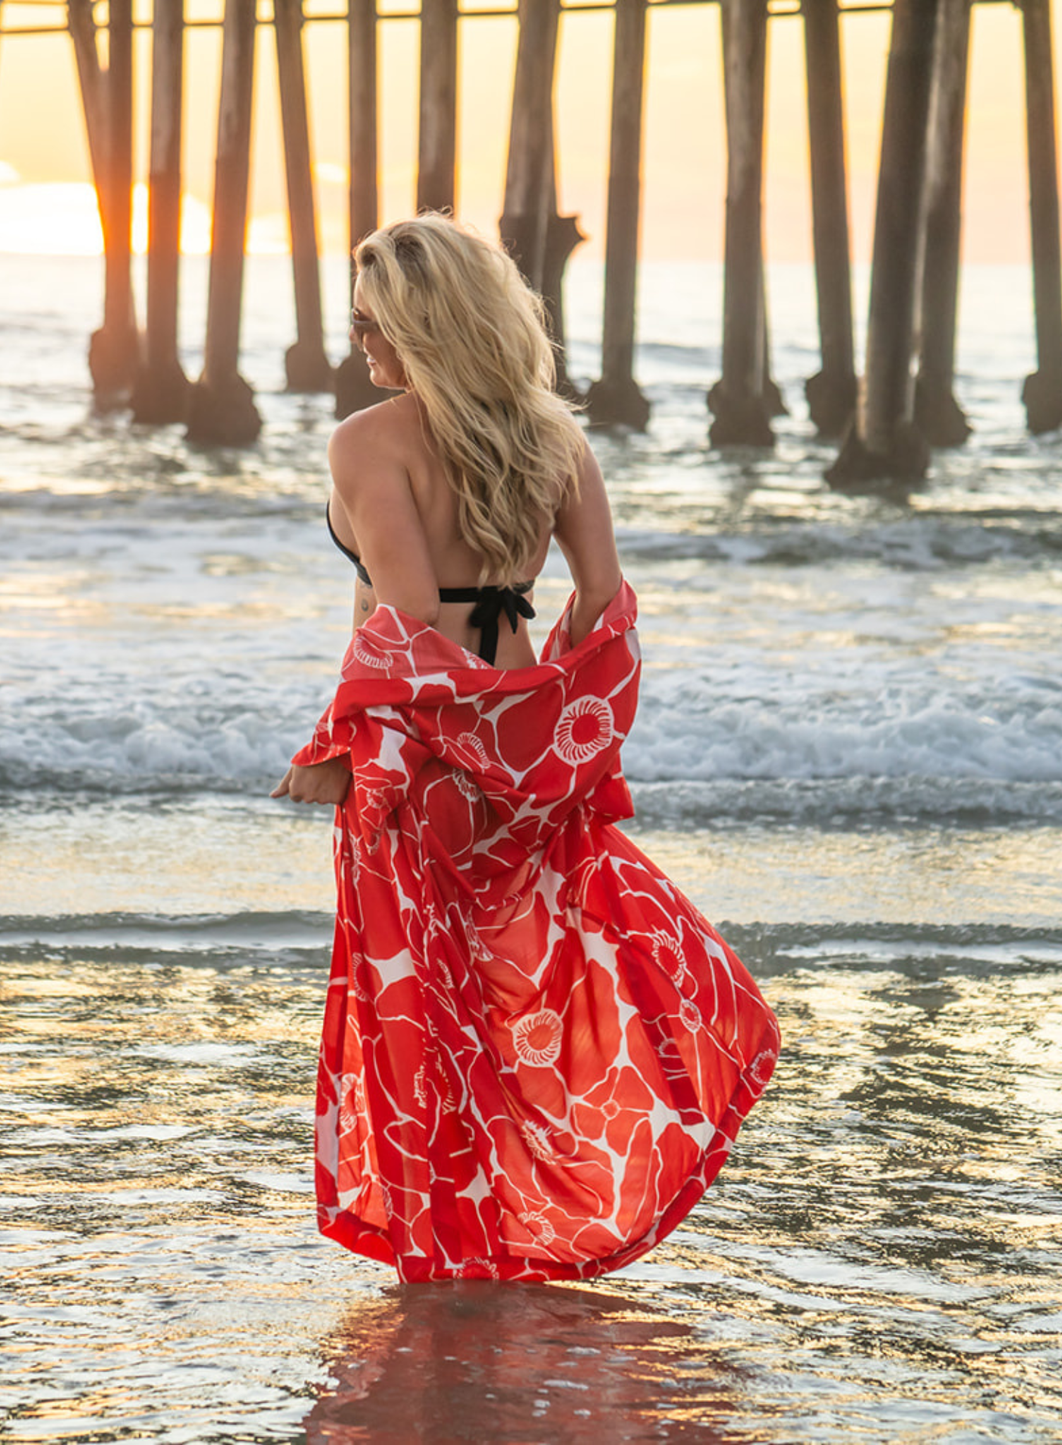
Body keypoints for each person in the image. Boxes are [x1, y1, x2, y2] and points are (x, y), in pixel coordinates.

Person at [274, 214, 779, 1282]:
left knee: (427, 1027)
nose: (358, 343)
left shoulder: (366, 443)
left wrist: (338, 741)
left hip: (416, 773)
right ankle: (502, 1246)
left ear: (424, 323)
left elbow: (405, 626)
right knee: (523, 1003)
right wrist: (553, 743)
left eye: (371, 324)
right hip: (524, 771)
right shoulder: (554, 439)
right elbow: (603, 611)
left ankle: (451, 1263)